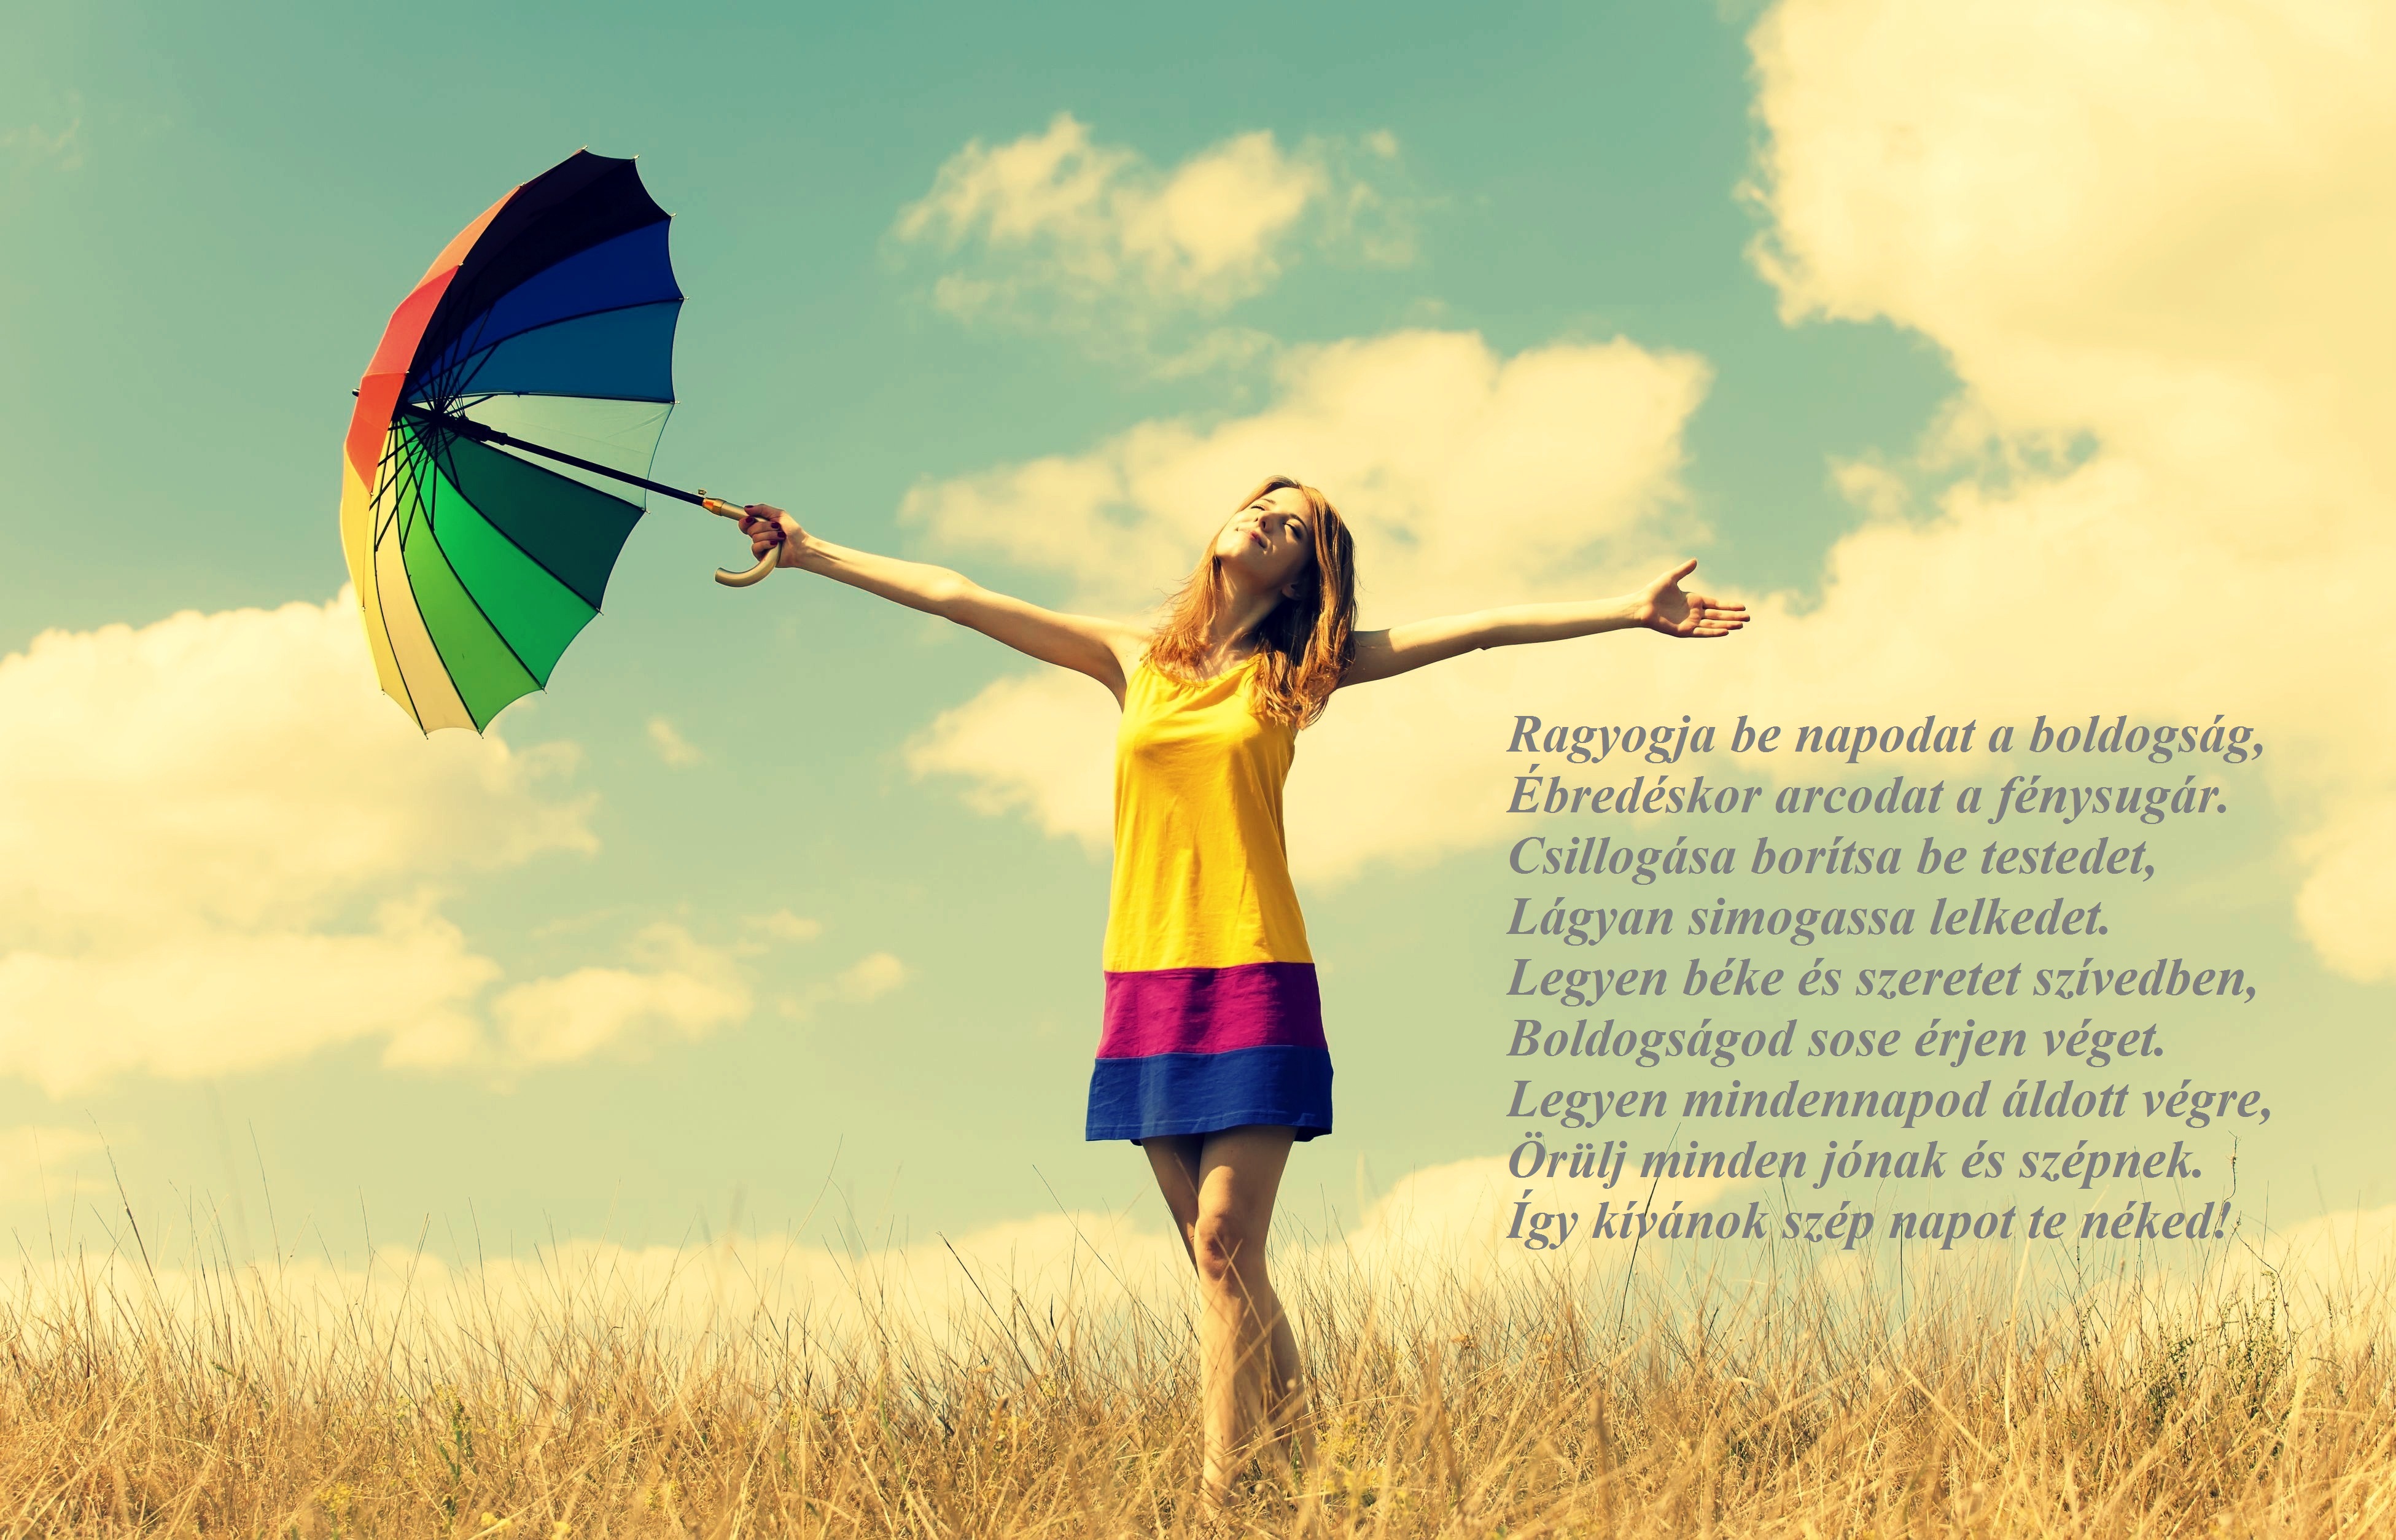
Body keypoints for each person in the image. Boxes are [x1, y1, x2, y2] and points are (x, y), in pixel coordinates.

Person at [736, 479, 1748, 1506]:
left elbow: (1478, 629)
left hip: (1258, 972)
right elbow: (958, 591)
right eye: (1259, 504)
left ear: (1306, 573)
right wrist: (814, 552)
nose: (1263, 518)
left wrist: (1625, 609)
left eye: (1291, 525)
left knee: (1225, 1239)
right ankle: (1319, 1481)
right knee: (1221, 1265)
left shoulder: (1304, 671)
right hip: (1145, 979)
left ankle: (1223, 1500)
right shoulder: (1135, 661)